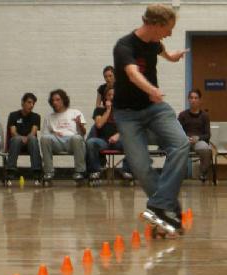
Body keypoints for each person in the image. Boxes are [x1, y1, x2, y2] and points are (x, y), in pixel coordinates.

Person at [113, 4, 190, 235]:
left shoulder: (154, 42)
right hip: (127, 115)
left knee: (181, 144)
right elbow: (132, 73)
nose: (169, 33)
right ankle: (168, 209)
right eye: (168, 28)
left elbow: (161, 49)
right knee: (140, 167)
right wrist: (151, 90)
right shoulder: (124, 46)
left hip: (155, 109)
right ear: (155, 25)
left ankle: (160, 205)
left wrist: (171, 56)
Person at [86, 86, 132, 181]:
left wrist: (118, 135)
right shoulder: (99, 110)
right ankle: (95, 171)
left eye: (114, 95)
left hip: (118, 141)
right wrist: (108, 110)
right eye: (109, 95)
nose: (112, 97)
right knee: (91, 142)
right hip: (103, 141)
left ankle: (126, 171)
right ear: (105, 97)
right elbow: (99, 125)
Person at [40, 89, 86, 182]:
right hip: (56, 141)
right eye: (53, 100)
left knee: (77, 138)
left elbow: (83, 134)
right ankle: (49, 172)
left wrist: (80, 124)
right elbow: (45, 135)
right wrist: (53, 133)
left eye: (58, 100)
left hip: (72, 141)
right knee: (44, 138)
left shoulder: (75, 112)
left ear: (64, 100)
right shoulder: (49, 117)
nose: (55, 102)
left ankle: (79, 172)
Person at [6, 93, 42, 185]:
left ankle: (37, 172)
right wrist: (22, 138)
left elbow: (33, 131)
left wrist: (27, 138)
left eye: (33, 103)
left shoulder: (36, 116)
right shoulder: (13, 115)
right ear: (23, 103)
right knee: (16, 139)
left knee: (33, 139)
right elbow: (13, 132)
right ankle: (10, 172)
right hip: (17, 143)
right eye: (29, 102)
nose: (31, 105)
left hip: (30, 143)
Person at [178, 89, 212, 182]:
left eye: (196, 98)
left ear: (200, 100)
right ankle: (179, 174)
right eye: (191, 98)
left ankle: (203, 173)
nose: (193, 100)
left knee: (206, 149)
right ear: (188, 100)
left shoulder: (205, 116)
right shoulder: (182, 115)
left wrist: (198, 138)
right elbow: (177, 132)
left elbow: (208, 135)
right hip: (185, 141)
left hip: (199, 141)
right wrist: (185, 138)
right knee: (176, 149)